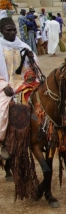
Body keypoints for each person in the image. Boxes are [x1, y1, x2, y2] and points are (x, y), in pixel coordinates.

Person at [0, 17, 36, 158]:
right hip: (5, 85)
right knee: (3, 110)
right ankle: (3, 142)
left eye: (14, 29)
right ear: (1, 31)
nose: (12, 32)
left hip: (23, 84)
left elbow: (31, 70)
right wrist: (4, 86)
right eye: (9, 30)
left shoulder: (24, 46)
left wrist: (31, 59)